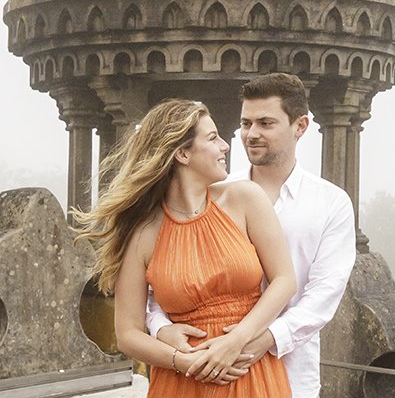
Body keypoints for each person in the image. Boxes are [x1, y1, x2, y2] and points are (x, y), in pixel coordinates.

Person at [149, 74, 356, 398]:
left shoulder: (330, 204)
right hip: (202, 367)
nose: (251, 134)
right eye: (246, 123)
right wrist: (161, 328)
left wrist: (255, 342)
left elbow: (321, 297)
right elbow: (164, 275)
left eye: (266, 123)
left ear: (300, 126)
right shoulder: (211, 195)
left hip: (290, 369)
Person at [75, 98, 298, 397]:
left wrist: (236, 341)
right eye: (212, 138)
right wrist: (183, 362)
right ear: (182, 153)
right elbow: (127, 334)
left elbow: (284, 280)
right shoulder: (142, 233)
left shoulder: (245, 198)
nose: (226, 146)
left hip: (250, 371)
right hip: (183, 381)